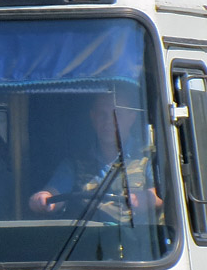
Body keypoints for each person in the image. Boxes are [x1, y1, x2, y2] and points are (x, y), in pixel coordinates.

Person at [28, 93, 161, 216]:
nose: (108, 121)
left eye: (117, 114)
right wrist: (42, 198)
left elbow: (165, 196)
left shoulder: (149, 157)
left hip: (140, 238)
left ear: (132, 118)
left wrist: (145, 199)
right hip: (88, 238)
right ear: (93, 117)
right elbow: (54, 193)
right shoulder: (75, 163)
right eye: (102, 114)